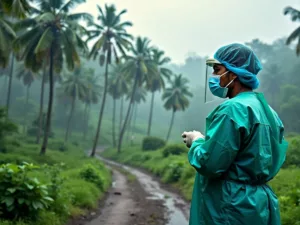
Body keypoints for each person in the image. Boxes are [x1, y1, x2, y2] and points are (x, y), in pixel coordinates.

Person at [181, 43, 288, 225]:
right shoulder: (269, 112)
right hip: (258, 206)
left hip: (230, 207)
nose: (214, 77)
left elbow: (211, 163)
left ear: (233, 73)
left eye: (217, 70)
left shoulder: (232, 110)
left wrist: (197, 141)